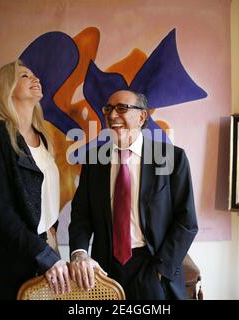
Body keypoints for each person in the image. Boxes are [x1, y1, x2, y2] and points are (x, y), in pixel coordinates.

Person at [68, 90, 198, 299]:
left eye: (122, 108)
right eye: (108, 109)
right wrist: (79, 253)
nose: (112, 116)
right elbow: (82, 215)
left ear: (142, 116)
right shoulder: (94, 161)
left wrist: (160, 270)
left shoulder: (172, 158)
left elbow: (186, 222)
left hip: (152, 267)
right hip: (104, 271)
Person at [0, 60, 70, 299]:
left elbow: (45, 197)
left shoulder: (43, 137)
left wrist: (51, 243)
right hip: (7, 259)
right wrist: (43, 254)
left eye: (35, 75)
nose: (35, 79)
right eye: (25, 76)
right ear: (6, 88)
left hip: (46, 252)